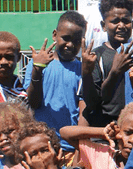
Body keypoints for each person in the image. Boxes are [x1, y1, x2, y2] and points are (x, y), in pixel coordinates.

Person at [24, 11, 86, 151]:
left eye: (77, 41)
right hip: (42, 145)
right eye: (66, 38)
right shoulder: (37, 65)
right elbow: (33, 102)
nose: (70, 44)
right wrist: (38, 69)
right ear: (54, 35)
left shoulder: (83, 70)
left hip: (71, 146)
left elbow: (84, 110)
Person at [81, 0, 133, 127]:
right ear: (104, 25)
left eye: (126, 21)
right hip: (106, 128)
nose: (121, 26)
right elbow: (92, 103)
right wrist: (87, 73)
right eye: (114, 21)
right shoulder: (96, 56)